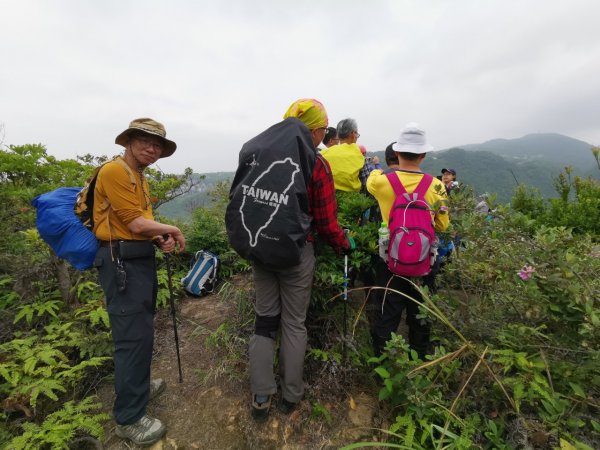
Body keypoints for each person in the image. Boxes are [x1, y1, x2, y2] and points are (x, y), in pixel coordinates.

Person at [242, 99, 354, 421]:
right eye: (321, 129)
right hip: (296, 254)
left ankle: (261, 396)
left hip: (259, 246)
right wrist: (343, 243)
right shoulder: (315, 164)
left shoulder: (259, 153)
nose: (321, 135)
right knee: (293, 322)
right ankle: (291, 396)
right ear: (316, 129)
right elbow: (327, 222)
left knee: (265, 320)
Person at [93, 118, 186, 446]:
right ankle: (129, 419)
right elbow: (133, 223)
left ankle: (138, 387)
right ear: (128, 141)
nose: (152, 149)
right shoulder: (115, 171)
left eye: (158, 145)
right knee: (131, 338)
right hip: (120, 262)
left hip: (136, 259)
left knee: (142, 330)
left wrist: (158, 237)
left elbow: (140, 222)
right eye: (145, 141)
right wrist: (172, 230)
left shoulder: (139, 177)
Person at [367, 123, 449, 359]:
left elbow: (371, 178)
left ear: (397, 152)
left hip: (389, 260)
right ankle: (419, 363)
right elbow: (443, 225)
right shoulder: (437, 186)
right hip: (425, 261)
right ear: (423, 155)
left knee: (388, 315)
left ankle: (382, 366)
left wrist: (375, 167)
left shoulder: (381, 183)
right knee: (420, 316)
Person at [320, 118, 368, 192]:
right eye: (357, 134)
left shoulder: (323, 154)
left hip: (328, 196)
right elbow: (366, 184)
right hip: (353, 200)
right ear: (353, 134)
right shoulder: (359, 155)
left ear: (338, 135)